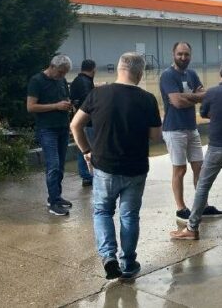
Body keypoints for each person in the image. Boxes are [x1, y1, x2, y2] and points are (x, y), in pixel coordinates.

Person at [70, 52, 162, 280]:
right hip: (136, 168)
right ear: (140, 73)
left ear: (119, 69)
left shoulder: (97, 93)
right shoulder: (148, 99)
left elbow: (75, 125)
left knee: (102, 211)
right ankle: (128, 263)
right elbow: (156, 136)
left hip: (105, 167)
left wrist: (86, 152)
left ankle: (108, 255)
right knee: (129, 216)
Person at [170, 58, 222, 241]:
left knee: (203, 186)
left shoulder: (213, 92)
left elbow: (204, 113)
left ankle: (192, 227)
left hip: (217, 146)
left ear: (221, 74)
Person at [160, 41, 222, 222]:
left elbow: (205, 95)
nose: (183, 57)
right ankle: (181, 209)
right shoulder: (167, 76)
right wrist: (195, 98)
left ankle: (202, 206)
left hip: (191, 128)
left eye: (186, 54)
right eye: (180, 54)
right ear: (173, 54)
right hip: (174, 129)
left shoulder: (192, 74)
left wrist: (187, 97)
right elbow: (177, 103)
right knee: (179, 170)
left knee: (200, 169)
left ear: (191, 55)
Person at [27, 55, 74, 216]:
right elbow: (31, 107)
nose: (62, 76)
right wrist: (56, 106)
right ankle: (53, 203)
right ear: (52, 66)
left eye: (65, 74)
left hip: (62, 127)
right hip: (47, 129)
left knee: (60, 165)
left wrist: (67, 105)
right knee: (53, 165)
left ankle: (55, 196)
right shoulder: (37, 81)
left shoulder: (61, 80)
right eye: (60, 72)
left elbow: (63, 99)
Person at [70, 59, 96, 186]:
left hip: (79, 120)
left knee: (83, 148)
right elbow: (89, 102)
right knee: (87, 149)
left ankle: (86, 175)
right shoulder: (85, 82)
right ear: (93, 69)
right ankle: (88, 175)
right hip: (88, 122)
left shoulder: (76, 81)